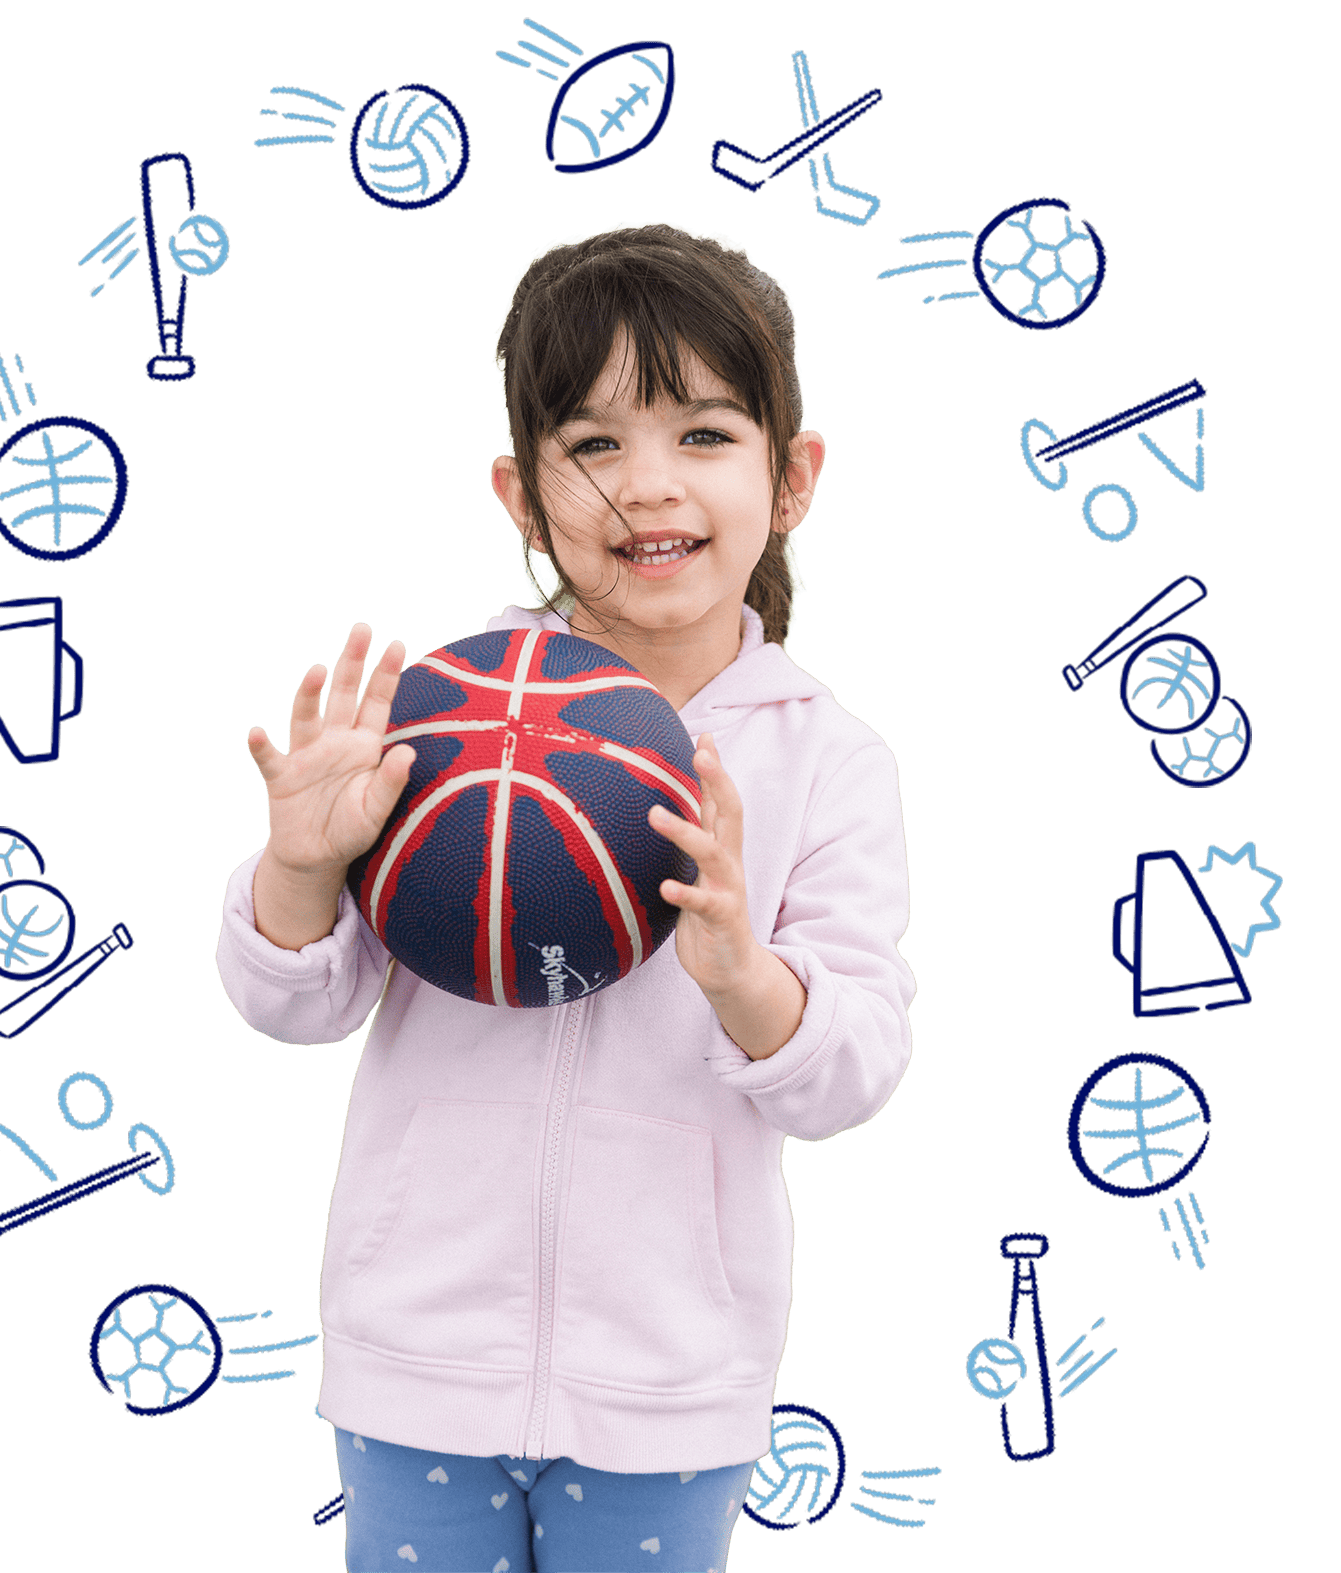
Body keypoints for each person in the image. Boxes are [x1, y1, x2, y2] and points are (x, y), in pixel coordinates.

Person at [216, 221, 916, 1573]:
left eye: (704, 433)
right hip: (414, 1357)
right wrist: (302, 868)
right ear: (521, 498)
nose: (645, 488)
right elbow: (295, 1006)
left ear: (792, 476)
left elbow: (850, 1076)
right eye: (593, 445)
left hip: (670, 1383)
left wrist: (739, 974)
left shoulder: (825, 759)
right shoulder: (444, 721)